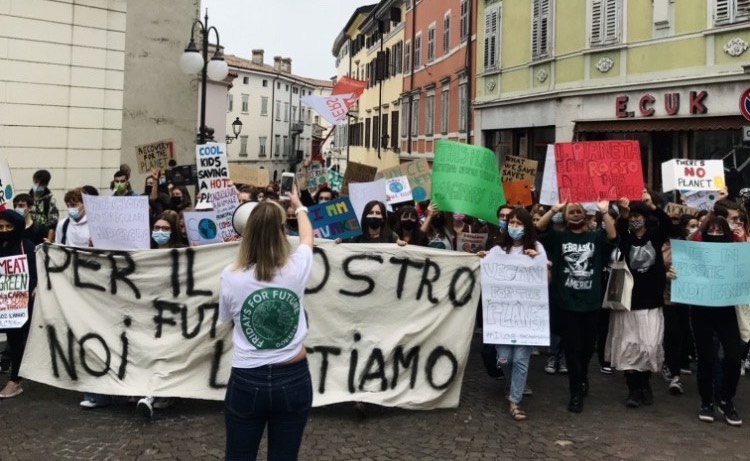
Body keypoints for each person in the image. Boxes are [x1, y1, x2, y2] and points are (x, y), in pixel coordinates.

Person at [219, 186, 314, 460]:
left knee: (239, 455)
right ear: (283, 233)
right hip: (294, 378)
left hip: (247, 379)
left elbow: (227, 320)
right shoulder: (296, 268)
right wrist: (300, 207)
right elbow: (308, 237)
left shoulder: (230, 276)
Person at [536, 200, 617, 413]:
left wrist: (604, 212)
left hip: (591, 303)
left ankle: (582, 377)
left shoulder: (595, 237)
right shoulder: (559, 236)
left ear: (584, 215)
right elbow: (538, 229)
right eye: (570, 212)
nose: (574, 215)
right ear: (565, 216)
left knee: (587, 348)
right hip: (567, 303)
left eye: (578, 211)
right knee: (572, 349)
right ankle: (575, 392)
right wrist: (553, 209)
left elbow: (612, 236)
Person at [669, 217, 743, 426]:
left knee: (733, 358)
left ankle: (726, 399)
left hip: (726, 311)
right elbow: (684, 262)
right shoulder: (695, 251)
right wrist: (675, 274)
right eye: (711, 229)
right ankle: (706, 402)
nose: (716, 233)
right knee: (706, 359)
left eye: (720, 230)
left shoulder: (735, 253)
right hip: (701, 311)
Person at [479, 208, 546, 421]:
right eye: (512, 222)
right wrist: (482, 259)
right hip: (502, 318)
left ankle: (515, 401)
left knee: (520, 359)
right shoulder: (499, 250)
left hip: (526, 318)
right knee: (505, 359)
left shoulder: (537, 248)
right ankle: (511, 383)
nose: (514, 226)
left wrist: (539, 263)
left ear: (527, 226)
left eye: (519, 223)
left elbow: (546, 279)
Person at [606, 192, 671, 408]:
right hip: (628, 303)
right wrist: (623, 215)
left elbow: (668, 225)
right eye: (632, 216)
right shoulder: (626, 238)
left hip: (651, 303)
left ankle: (645, 384)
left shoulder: (655, 234)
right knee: (629, 348)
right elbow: (617, 235)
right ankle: (634, 390)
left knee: (648, 347)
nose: (635, 219)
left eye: (638, 215)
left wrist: (652, 206)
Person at [136, 212, 187, 417]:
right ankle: (147, 392)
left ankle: (163, 393)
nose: (159, 232)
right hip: (149, 312)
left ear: (173, 232)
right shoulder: (144, 252)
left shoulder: (184, 253)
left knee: (167, 353)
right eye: (156, 228)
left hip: (173, 313)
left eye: (165, 229)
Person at [0, 209, 38, 399]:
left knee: (16, 340)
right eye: (1, 227)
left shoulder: (28, 247)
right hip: (2, 301)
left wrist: (34, 288)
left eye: (9, 226)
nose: (5, 230)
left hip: (19, 303)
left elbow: (36, 273)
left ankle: (15, 380)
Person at [28, 169, 59, 241]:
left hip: (43, 237)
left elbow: (53, 224)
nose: (38, 186)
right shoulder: (28, 198)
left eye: (41, 184)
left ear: (46, 184)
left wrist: (49, 241)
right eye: (36, 182)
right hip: (28, 236)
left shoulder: (50, 200)